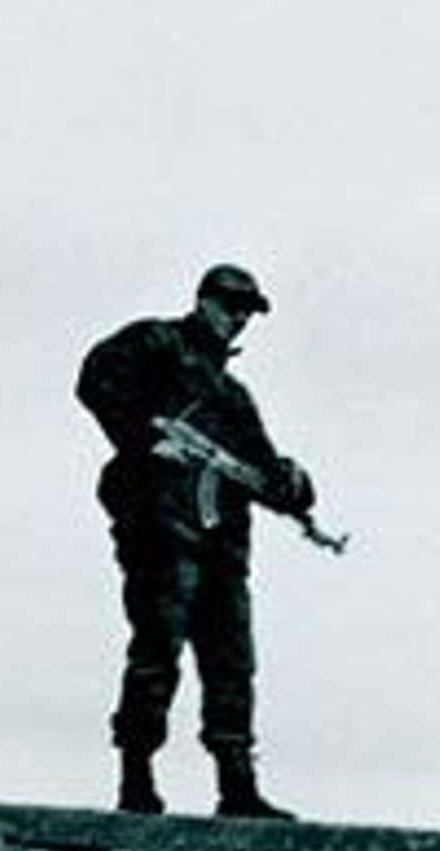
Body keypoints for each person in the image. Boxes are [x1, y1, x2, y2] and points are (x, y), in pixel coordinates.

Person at [75, 263, 318, 819]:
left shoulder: (233, 396)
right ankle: (136, 778)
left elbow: (262, 472)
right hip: (161, 527)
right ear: (204, 300)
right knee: (158, 647)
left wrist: (295, 486)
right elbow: (95, 377)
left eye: (247, 311)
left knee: (232, 661)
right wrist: (143, 438)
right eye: (231, 306)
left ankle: (237, 786)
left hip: (221, 544)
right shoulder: (159, 343)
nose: (239, 319)